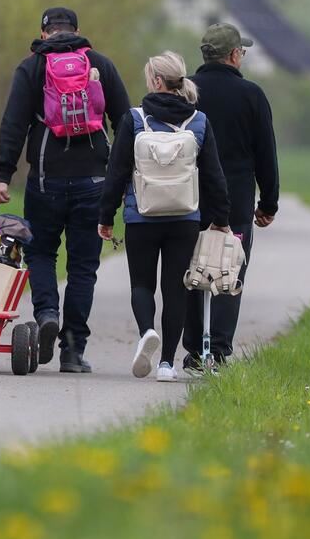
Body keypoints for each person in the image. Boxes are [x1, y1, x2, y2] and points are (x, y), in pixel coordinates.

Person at [0, 7, 131, 373]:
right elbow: (125, 122)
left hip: (45, 180)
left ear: (44, 32)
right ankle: (72, 351)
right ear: (77, 30)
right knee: (83, 267)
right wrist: (123, 174)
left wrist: (3, 174)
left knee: (40, 253)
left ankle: (47, 313)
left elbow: (13, 123)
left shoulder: (32, 67)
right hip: (94, 182)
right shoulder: (100, 64)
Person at [98, 51, 230, 382]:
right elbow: (214, 176)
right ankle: (167, 364)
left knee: (142, 284)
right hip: (185, 218)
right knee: (175, 290)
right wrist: (222, 218)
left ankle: (147, 331)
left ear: (157, 81)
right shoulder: (199, 121)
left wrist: (106, 216)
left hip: (141, 217)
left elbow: (116, 172)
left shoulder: (134, 119)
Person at [183, 22, 280, 369]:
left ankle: (195, 350)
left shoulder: (186, 91)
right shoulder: (251, 95)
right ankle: (219, 350)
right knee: (229, 270)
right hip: (236, 198)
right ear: (235, 55)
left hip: (187, 196)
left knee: (191, 269)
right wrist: (268, 204)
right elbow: (265, 153)